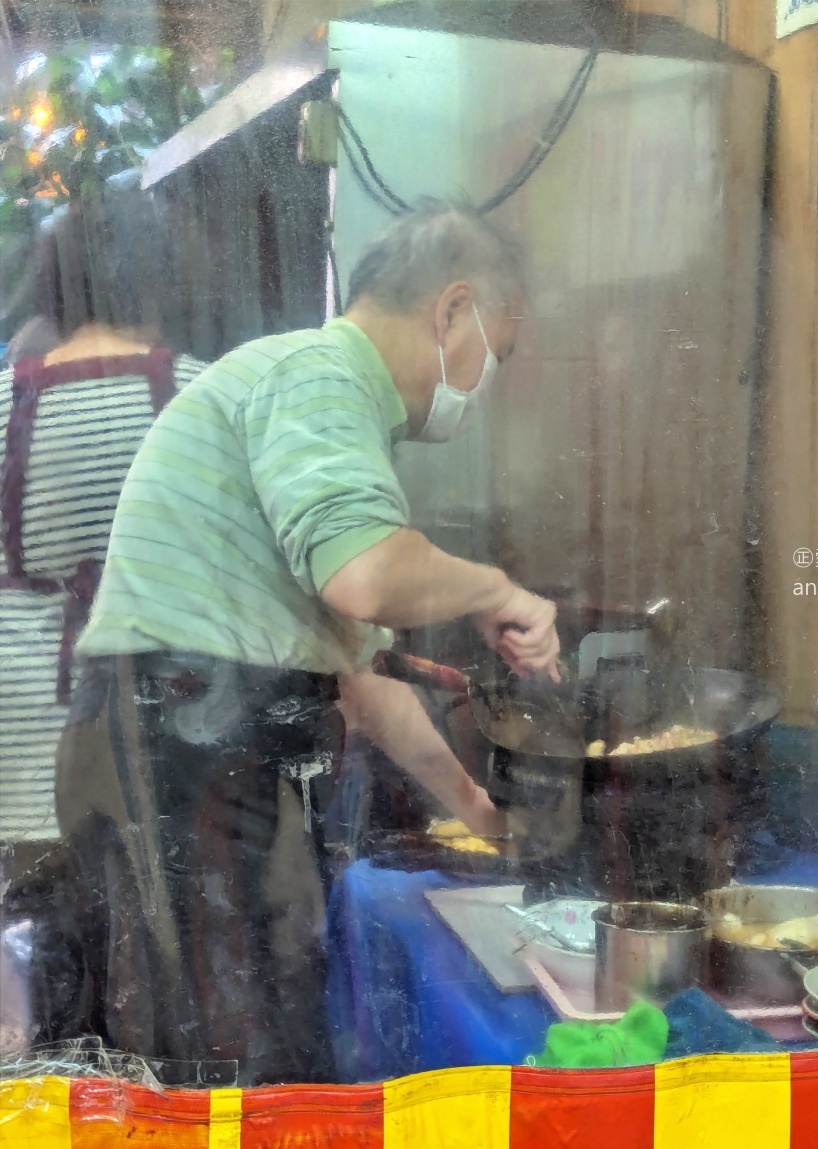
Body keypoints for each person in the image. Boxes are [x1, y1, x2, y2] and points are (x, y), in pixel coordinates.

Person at [56, 200, 560, 1085]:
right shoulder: (320, 375)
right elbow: (366, 575)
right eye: (501, 353)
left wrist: (480, 810)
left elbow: (361, 673)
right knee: (232, 1061)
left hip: (186, 746)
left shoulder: (323, 400)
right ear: (452, 310)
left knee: (234, 1041)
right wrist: (500, 590)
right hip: (178, 743)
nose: (491, 383)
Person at [0, 188, 207, 1045]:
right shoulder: (200, 398)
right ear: (158, 280)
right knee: (163, 988)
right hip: (154, 757)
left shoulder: (5, 407)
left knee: (41, 983)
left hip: (22, 753)